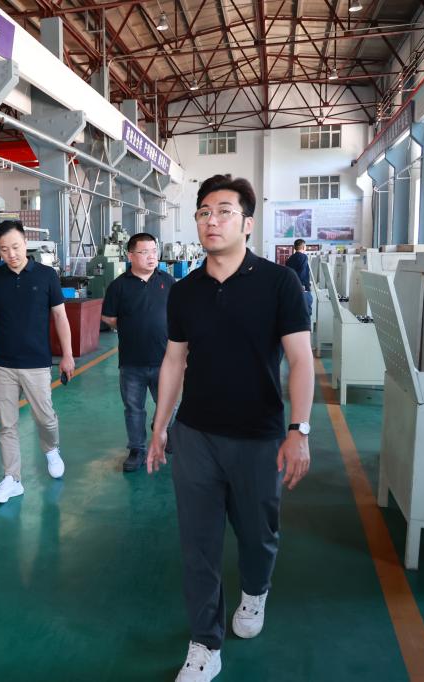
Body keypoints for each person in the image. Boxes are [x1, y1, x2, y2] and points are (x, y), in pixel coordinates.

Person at [146, 174, 314, 681]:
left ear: (247, 223)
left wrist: (299, 429)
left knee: (258, 534)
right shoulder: (184, 291)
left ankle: (255, 591)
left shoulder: (279, 283)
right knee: (198, 542)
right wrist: (160, 427)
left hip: (259, 436)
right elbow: (174, 361)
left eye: (223, 211)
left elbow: (300, 360)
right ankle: (205, 642)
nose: (211, 220)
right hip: (195, 434)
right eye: (203, 212)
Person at [0, 220, 75, 503]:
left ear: (25, 243)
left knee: (45, 417)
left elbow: (60, 317)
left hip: (36, 362)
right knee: (6, 425)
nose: (11, 254)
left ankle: (51, 448)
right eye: (4, 249)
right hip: (3, 363)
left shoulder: (47, 276)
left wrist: (67, 355)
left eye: (15, 246)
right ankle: (12, 479)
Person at [101, 233, 176, 472]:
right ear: (131, 255)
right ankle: (137, 449)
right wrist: (132, 326)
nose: (152, 257)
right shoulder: (118, 286)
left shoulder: (168, 282)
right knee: (134, 408)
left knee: (170, 404)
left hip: (165, 360)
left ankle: (164, 430)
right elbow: (108, 317)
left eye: (154, 251)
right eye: (144, 252)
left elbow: (179, 315)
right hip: (131, 362)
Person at [283, 238, 312, 317]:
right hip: (303, 288)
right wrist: (302, 285)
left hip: (292, 288)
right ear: (303, 247)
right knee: (306, 312)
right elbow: (302, 272)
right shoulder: (303, 257)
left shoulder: (290, 258)